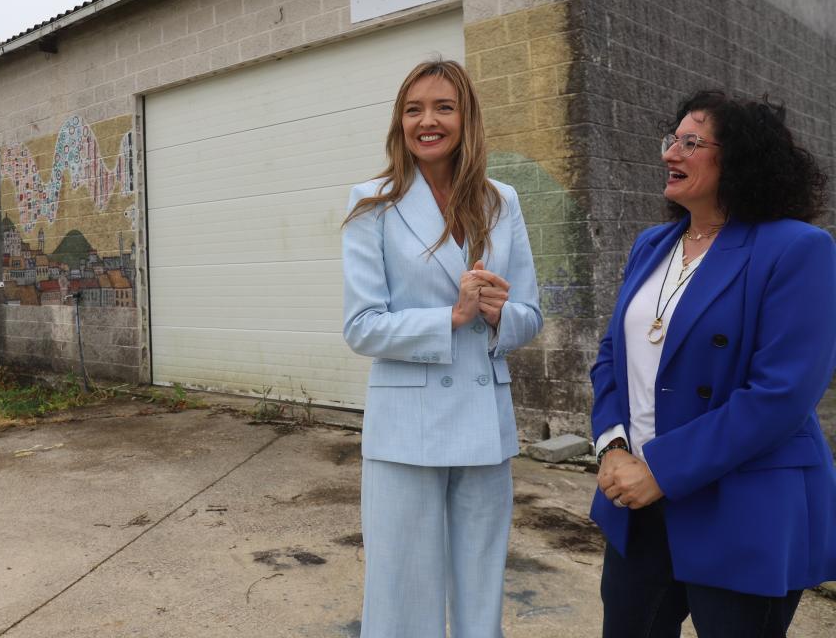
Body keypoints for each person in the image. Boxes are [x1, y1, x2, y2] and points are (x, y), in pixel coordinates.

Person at [590, 90, 836, 638]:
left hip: (742, 504)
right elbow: (612, 356)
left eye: (691, 142)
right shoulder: (651, 244)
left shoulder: (798, 249)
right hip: (636, 500)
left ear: (740, 159)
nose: (669, 154)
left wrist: (660, 470)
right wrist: (611, 448)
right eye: (671, 140)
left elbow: (782, 394)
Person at [342, 59, 542, 636]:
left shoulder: (502, 201)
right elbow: (362, 326)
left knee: (482, 592)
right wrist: (450, 318)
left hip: (484, 423)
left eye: (443, 108)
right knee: (402, 588)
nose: (427, 121)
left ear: (467, 118)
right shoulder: (372, 203)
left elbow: (530, 315)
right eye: (414, 109)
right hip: (406, 426)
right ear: (399, 122)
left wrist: (503, 315)